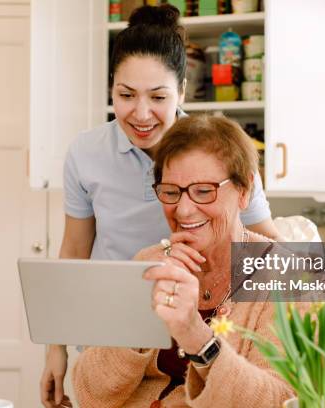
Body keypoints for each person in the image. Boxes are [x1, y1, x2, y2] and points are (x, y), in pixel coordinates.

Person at [41, 5, 280, 408]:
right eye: (126, 95)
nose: (141, 113)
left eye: (158, 96)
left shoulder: (219, 153)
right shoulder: (86, 153)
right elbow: (74, 253)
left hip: (204, 322)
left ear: (182, 92)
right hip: (115, 334)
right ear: (111, 90)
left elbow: (269, 246)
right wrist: (56, 348)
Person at [72, 114, 296, 407]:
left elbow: (281, 400)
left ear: (244, 191)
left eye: (204, 191)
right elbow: (90, 393)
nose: (184, 210)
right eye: (171, 192)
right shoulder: (148, 263)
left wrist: (197, 337)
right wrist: (139, 316)